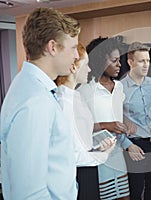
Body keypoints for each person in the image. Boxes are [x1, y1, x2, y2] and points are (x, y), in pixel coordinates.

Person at [0, 7, 80, 199]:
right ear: (52, 47)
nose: (76, 56)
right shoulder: (35, 101)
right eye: (73, 47)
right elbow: (29, 193)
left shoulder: (29, 86)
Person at [55, 42, 116, 200]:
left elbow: (80, 138)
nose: (89, 69)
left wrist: (97, 146)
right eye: (86, 64)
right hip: (78, 172)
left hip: (89, 167)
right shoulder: (63, 102)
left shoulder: (75, 95)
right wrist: (104, 155)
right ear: (73, 67)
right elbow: (71, 155)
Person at [77, 37, 133, 200]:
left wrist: (125, 124)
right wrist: (106, 125)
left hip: (117, 153)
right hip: (98, 155)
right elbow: (80, 130)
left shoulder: (120, 87)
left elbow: (118, 115)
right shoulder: (85, 90)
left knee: (124, 197)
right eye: (114, 60)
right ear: (100, 61)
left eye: (119, 60)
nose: (119, 64)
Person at [121, 42, 151, 200]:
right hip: (136, 145)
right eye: (142, 61)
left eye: (148, 60)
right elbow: (115, 121)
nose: (146, 65)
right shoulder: (120, 88)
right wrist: (128, 145)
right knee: (135, 190)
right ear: (130, 62)